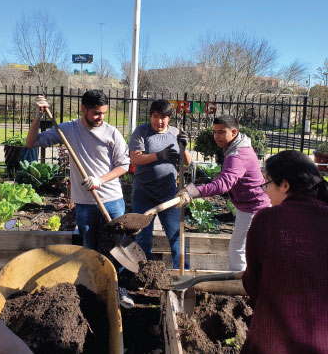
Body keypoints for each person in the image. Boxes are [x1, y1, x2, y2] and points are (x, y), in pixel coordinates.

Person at [240, 150, 328, 352]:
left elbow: (253, 285)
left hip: (274, 341)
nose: (265, 191)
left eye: (267, 183)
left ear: (285, 185)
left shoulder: (267, 220)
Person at [27, 90, 129, 252]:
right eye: (96, 113)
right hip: (85, 203)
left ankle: (118, 276)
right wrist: (38, 116)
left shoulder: (112, 133)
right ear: (83, 109)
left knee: (118, 249)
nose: (101, 118)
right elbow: (32, 142)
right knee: (89, 249)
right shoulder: (67, 130)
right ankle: (92, 277)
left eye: (103, 113)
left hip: (112, 200)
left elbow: (124, 165)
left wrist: (100, 180)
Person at [182, 116, 267, 271]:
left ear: (234, 132)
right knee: (248, 249)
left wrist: (193, 192)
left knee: (237, 250)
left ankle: (239, 286)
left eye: (221, 132)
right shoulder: (240, 144)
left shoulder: (237, 154)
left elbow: (224, 185)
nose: (216, 136)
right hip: (250, 205)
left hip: (253, 208)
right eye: (215, 132)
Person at [128, 99, 188, 267]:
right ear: (150, 116)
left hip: (169, 196)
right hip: (143, 195)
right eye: (155, 116)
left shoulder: (175, 133)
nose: (159, 121)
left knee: (177, 236)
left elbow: (186, 161)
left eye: (164, 117)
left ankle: (182, 273)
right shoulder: (141, 131)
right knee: (143, 239)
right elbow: (135, 158)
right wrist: (158, 155)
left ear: (169, 118)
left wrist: (184, 145)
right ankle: (143, 274)